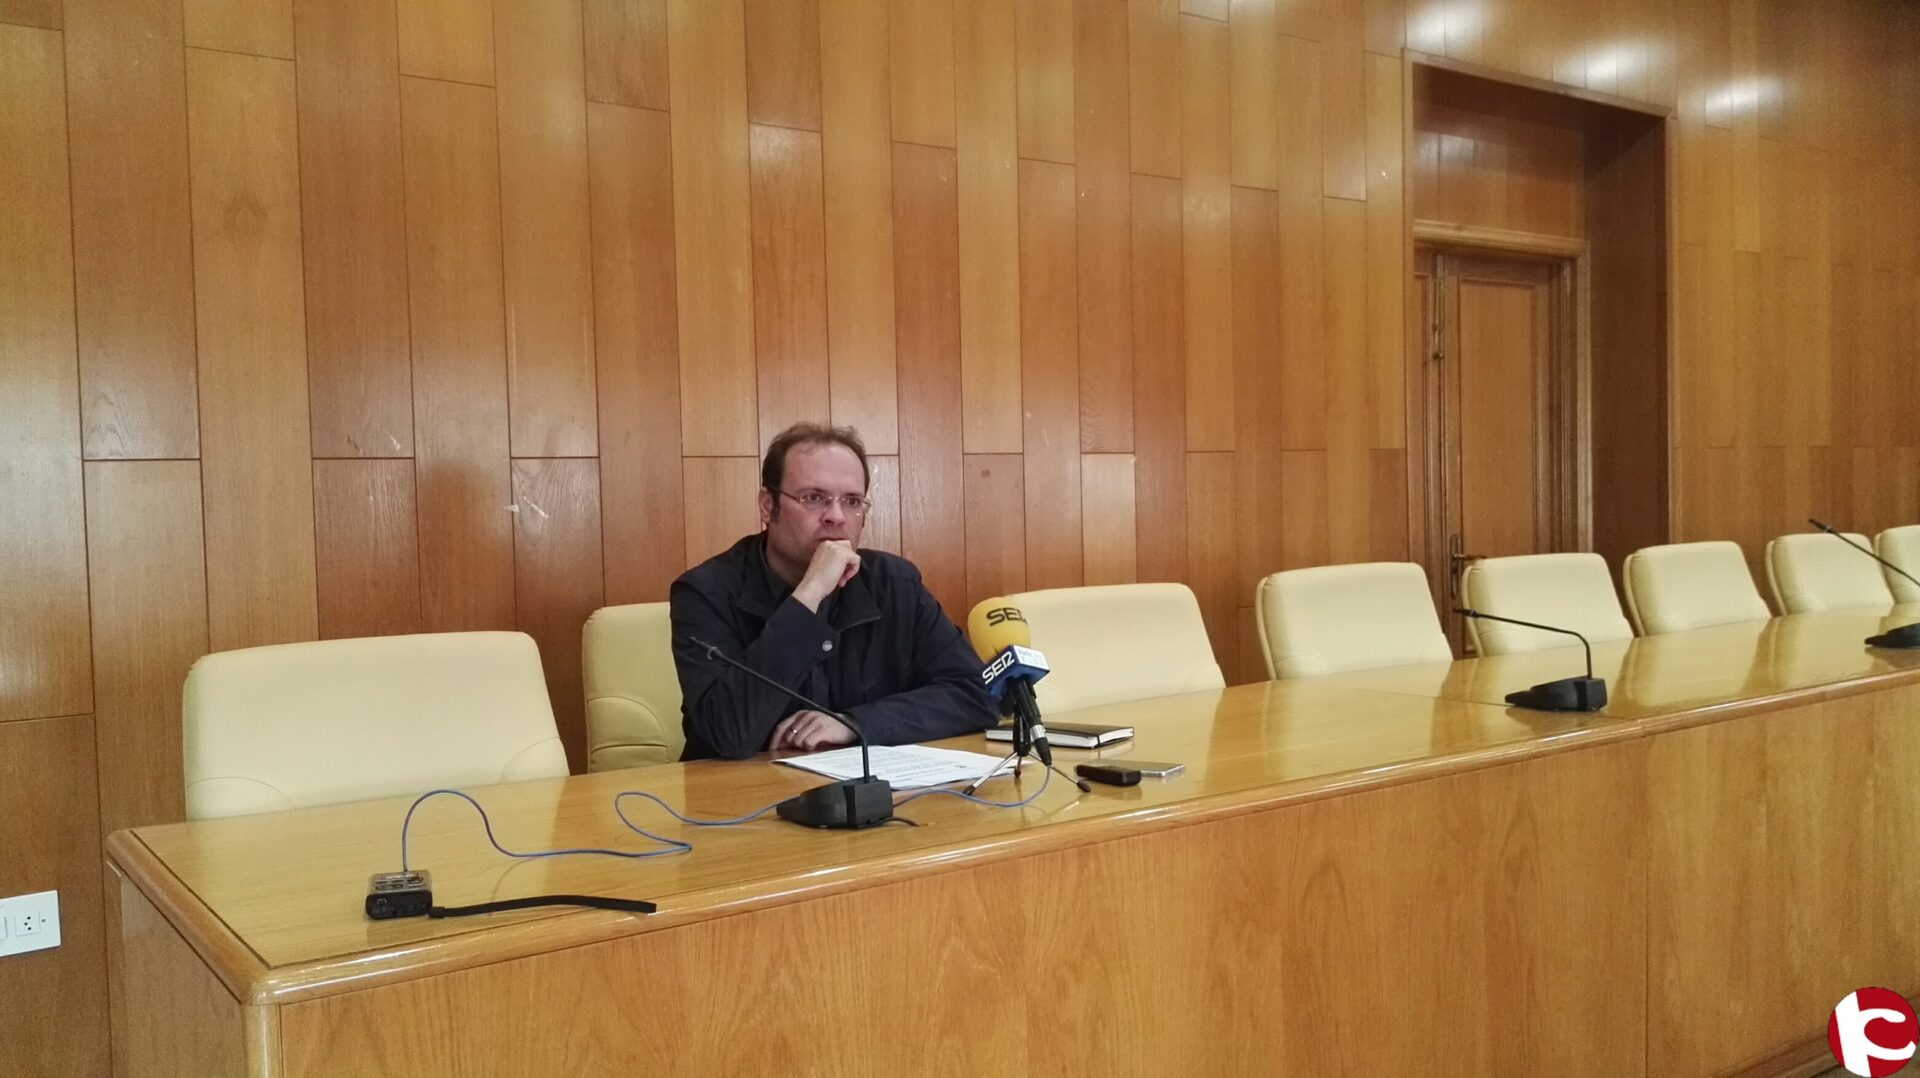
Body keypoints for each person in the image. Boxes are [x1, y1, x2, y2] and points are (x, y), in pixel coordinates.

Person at [669, 422, 998, 760]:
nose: (836, 517)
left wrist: (855, 723)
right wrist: (809, 594)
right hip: (738, 789)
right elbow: (729, 733)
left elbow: (978, 693)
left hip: (868, 786)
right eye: (814, 498)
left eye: (852, 501)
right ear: (768, 506)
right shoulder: (704, 593)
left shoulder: (895, 583)